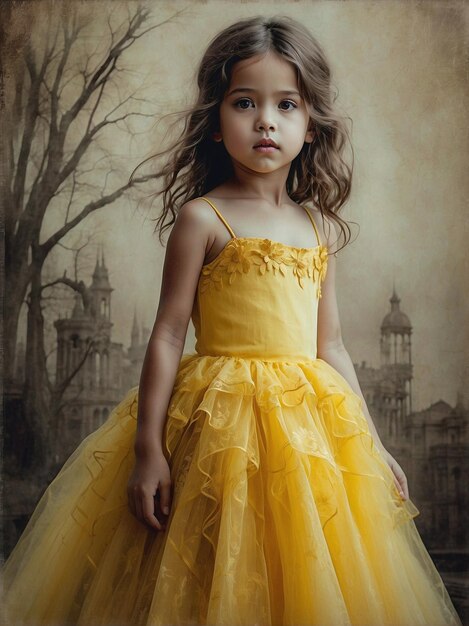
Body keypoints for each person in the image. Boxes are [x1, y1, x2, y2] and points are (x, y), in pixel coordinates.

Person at [2, 14, 463, 626]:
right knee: (210, 568)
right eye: (245, 102)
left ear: (310, 125)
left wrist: (373, 446)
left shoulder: (317, 228)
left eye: (286, 104)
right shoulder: (201, 219)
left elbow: (333, 346)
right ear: (216, 124)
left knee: (304, 569)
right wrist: (147, 449)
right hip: (217, 428)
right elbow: (167, 334)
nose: (265, 120)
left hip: (307, 435)